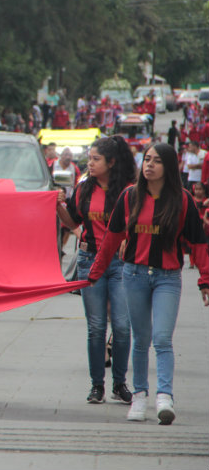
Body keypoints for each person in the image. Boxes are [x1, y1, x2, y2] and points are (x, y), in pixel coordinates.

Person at [87, 143, 209, 425]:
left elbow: (199, 243)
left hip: (168, 277)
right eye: (146, 160)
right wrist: (95, 273)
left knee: (162, 339)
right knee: (140, 340)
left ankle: (164, 396)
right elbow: (112, 239)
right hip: (133, 275)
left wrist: (205, 280)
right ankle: (140, 396)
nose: (149, 165)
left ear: (168, 166)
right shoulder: (130, 197)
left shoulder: (183, 199)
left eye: (156, 161)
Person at [56, 136, 136, 406]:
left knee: (123, 327)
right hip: (90, 260)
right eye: (89, 159)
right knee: (97, 327)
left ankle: (120, 383)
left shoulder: (129, 191)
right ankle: (97, 385)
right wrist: (58, 206)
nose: (89, 164)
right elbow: (72, 221)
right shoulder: (84, 190)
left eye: (95, 159)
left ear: (111, 162)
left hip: (120, 263)